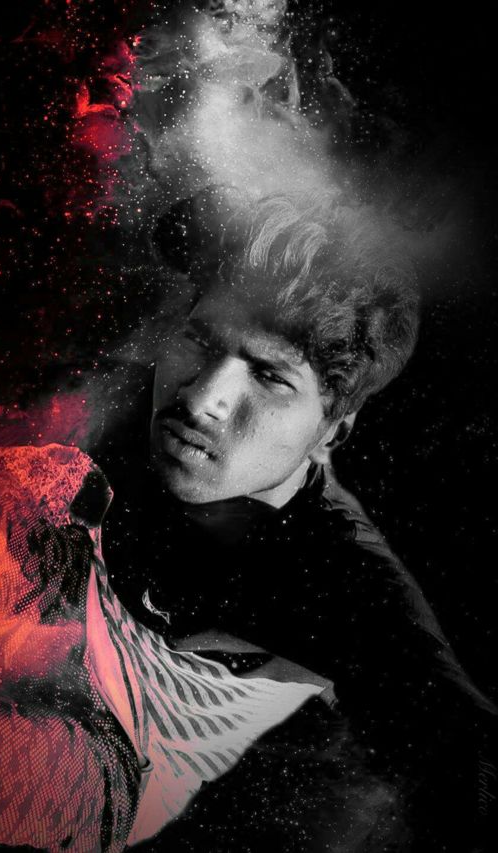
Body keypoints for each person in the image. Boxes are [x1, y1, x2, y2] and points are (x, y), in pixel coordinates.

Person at [91, 193, 497, 852]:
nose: (202, 398)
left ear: (333, 430)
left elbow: (473, 769)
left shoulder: (358, 595)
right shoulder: (93, 408)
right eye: (200, 340)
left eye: (270, 376)